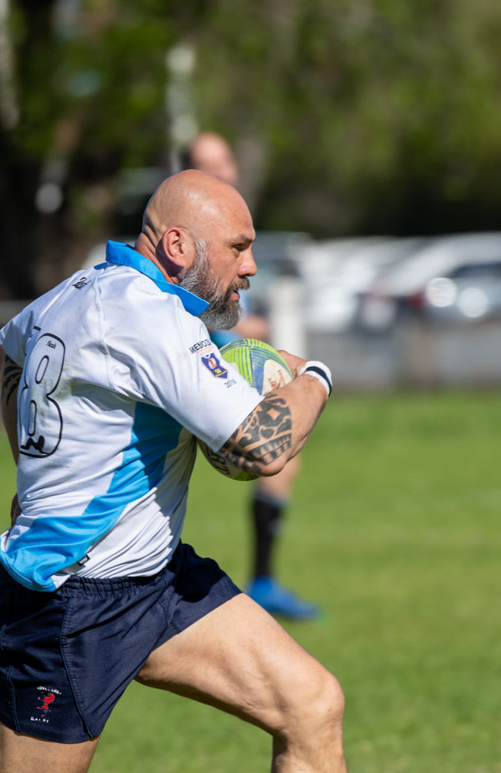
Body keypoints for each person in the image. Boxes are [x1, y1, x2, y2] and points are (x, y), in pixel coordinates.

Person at [0, 170, 346, 773]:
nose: (250, 266)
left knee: (311, 704)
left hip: (158, 580)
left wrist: (29, 463)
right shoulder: (147, 317)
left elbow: (15, 353)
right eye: (237, 246)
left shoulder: (78, 290)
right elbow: (258, 448)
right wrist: (315, 378)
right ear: (177, 245)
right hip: (69, 602)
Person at [185, 131, 320, 620]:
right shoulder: (191, 224)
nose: (221, 171)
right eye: (207, 164)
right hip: (215, 355)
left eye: (225, 161)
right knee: (270, 449)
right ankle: (261, 580)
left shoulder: (233, 215)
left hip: (243, 348)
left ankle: (264, 578)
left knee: (285, 463)